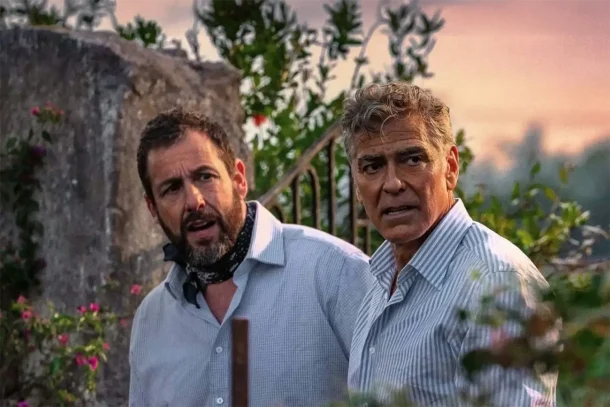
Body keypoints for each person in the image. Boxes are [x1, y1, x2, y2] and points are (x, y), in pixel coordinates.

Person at [128, 108, 374, 407]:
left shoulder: (334, 271)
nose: (194, 201)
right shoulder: (151, 320)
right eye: (172, 189)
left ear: (239, 179)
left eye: (205, 177)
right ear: (152, 208)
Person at [341, 82, 558, 406]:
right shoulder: (379, 279)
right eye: (372, 166)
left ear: (451, 168)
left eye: (412, 159)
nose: (393, 183)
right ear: (357, 185)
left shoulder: (497, 283)